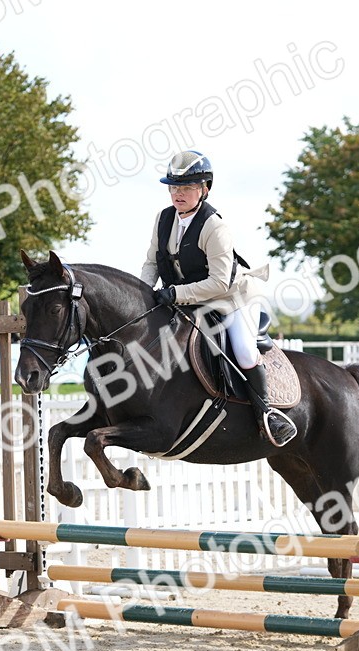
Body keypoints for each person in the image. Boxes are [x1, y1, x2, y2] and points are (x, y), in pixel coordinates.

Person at [141, 149, 297, 447]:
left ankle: (267, 414)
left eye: (186, 187)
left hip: (233, 298)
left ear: (204, 189)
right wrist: (144, 296)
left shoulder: (214, 226)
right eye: (174, 187)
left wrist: (175, 293)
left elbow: (219, 282)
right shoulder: (163, 219)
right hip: (190, 299)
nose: (178, 194)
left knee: (243, 351)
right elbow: (151, 263)